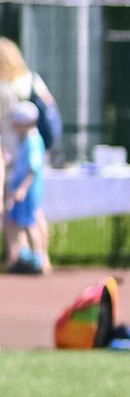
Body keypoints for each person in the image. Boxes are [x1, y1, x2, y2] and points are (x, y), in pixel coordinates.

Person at [4, 100, 44, 273]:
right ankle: (24, 257)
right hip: (21, 190)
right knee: (18, 223)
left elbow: (33, 169)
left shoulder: (33, 141)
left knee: (29, 224)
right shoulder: (26, 140)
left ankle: (39, 258)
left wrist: (22, 189)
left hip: (27, 192)